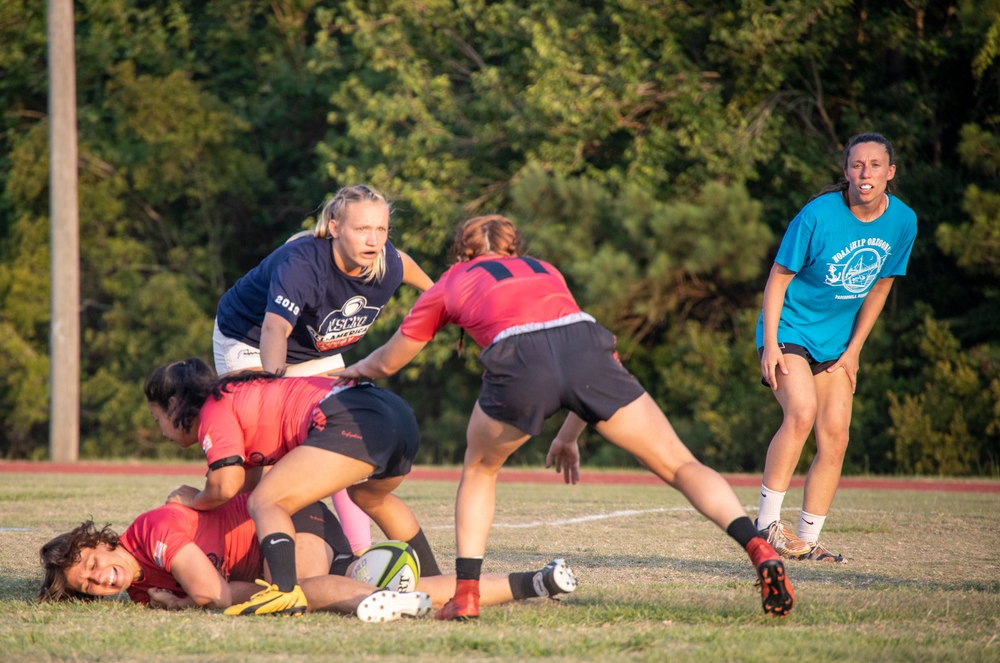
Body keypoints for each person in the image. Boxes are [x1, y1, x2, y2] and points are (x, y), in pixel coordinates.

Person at [336, 215, 796, 620]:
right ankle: (758, 548)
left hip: (519, 358)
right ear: (516, 250)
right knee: (680, 464)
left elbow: (388, 362)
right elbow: (584, 358)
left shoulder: (453, 280)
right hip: (586, 346)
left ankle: (468, 595)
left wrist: (347, 372)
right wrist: (572, 432)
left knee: (480, 469)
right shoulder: (545, 270)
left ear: (462, 253)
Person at [143, 358, 576, 616]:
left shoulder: (214, 407)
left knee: (267, 499)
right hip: (394, 413)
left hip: (352, 417)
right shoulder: (237, 394)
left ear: (175, 403)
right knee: (369, 496)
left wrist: (191, 499)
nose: (160, 429)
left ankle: (281, 595)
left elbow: (226, 484)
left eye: (157, 418)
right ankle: (523, 582)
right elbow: (244, 476)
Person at [213, 184, 434, 555]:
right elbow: (274, 330)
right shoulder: (302, 264)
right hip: (250, 340)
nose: (374, 239)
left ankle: (359, 555)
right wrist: (274, 392)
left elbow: (412, 269)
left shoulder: (386, 263)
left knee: (346, 446)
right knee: (263, 453)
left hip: (316, 352)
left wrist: (446, 302)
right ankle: (250, 554)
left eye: (381, 230)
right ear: (333, 227)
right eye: (361, 229)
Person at [755, 132, 917, 563]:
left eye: (875, 166)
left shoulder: (903, 221)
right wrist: (770, 344)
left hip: (837, 343)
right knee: (801, 412)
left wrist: (854, 351)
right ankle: (766, 526)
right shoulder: (817, 215)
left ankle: (806, 541)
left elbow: (881, 287)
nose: (866, 174)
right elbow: (778, 279)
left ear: (890, 173)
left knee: (836, 436)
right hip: (789, 328)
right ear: (846, 172)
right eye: (858, 165)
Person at [37, 493, 577, 618]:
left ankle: (387, 600)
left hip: (293, 525)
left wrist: (186, 605)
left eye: (89, 566)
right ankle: (539, 580)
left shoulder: (150, 531)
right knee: (287, 594)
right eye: (87, 586)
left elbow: (210, 593)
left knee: (292, 596)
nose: (97, 580)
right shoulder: (137, 588)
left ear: (99, 542)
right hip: (286, 547)